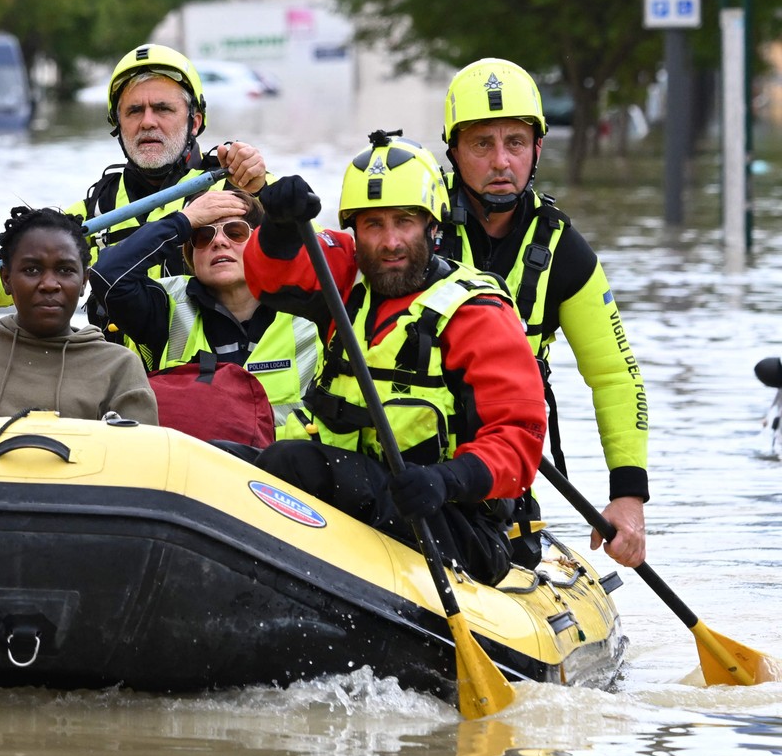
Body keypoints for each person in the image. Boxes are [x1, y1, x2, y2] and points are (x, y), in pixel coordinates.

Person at [242, 134, 547, 586]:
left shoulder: (477, 315)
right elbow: (270, 277)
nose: (389, 242)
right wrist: (280, 229)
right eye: (373, 225)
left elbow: (518, 442)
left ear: (432, 227)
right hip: (363, 497)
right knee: (241, 462)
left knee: (291, 464)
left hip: (452, 519)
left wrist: (446, 480)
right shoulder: (346, 279)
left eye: (404, 222)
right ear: (355, 233)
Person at [437, 58, 648, 569]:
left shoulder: (566, 252)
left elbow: (615, 376)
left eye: (515, 142)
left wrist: (628, 497)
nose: (501, 161)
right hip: (408, 452)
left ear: (537, 149)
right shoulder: (411, 225)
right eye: (482, 144)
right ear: (454, 152)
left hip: (500, 471)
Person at [0, 44, 252, 336]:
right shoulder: (95, 211)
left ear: (195, 122)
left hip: (213, 372)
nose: (147, 122)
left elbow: (294, 237)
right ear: (117, 124)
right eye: (134, 111)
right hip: (119, 375)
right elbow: (9, 289)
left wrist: (260, 184)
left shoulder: (239, 188)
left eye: (162, 109)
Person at [86, 184, 320, 426]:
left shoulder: (310, 308)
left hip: (280, 462)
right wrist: (184, 221)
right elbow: (108, 275)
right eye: (203, 236)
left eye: (235, 232)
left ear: (262, 244)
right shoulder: (166, 307)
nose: (218, 241)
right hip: (191, 462)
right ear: (191, 256)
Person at [0, 206, 159, 424]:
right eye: (32, 269)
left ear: (84, 282)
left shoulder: (118, 367)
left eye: (65, 270)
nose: (49, 284)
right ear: (6, 279)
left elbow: (143, 467)